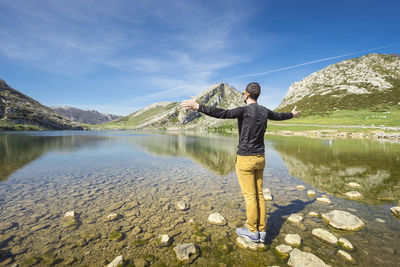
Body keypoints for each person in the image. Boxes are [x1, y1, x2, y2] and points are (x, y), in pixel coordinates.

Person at [181, 82, 299, 243]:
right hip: (260, 158)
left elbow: (222, 113)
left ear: (247, 95)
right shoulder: (265, 111)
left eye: (243, 93)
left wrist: (198, 106)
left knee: (250, 197)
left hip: (245, 158)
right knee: (259, 195)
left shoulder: (243, 110)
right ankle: (262, 230)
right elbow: (279, 116)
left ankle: (252, 231)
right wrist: (292, 115)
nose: (243, 95)